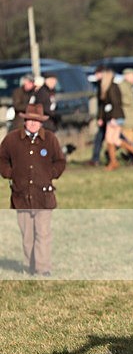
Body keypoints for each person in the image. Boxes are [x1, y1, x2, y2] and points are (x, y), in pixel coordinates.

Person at [0, 103, 66, 276]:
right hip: (21, 195)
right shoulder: (12, 139)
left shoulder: (50, 139)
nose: (32, 124)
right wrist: (10, 173)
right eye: (29, 120)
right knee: (27, 235)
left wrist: (49, 174)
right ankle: (30, 267)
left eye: (36, 121)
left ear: (42, 122)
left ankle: (42, 269)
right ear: (25, 120)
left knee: (42, 233)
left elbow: (60, 161)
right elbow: (2, 159)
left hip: (44, 195)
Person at [99, 68, 133, 170]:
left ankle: (113, 162)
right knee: (115, 140)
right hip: (115, 116)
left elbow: (116, 103)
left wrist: (113, 117)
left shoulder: (112, 88)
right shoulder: (112, 87)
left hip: (115, 116)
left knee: (110, 139)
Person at [119, 68, 133, 146]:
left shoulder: (132, 87)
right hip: (128, 118)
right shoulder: (122, 86)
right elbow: (123, 101)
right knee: (127, 139)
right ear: (127, 76)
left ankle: (132, 155)